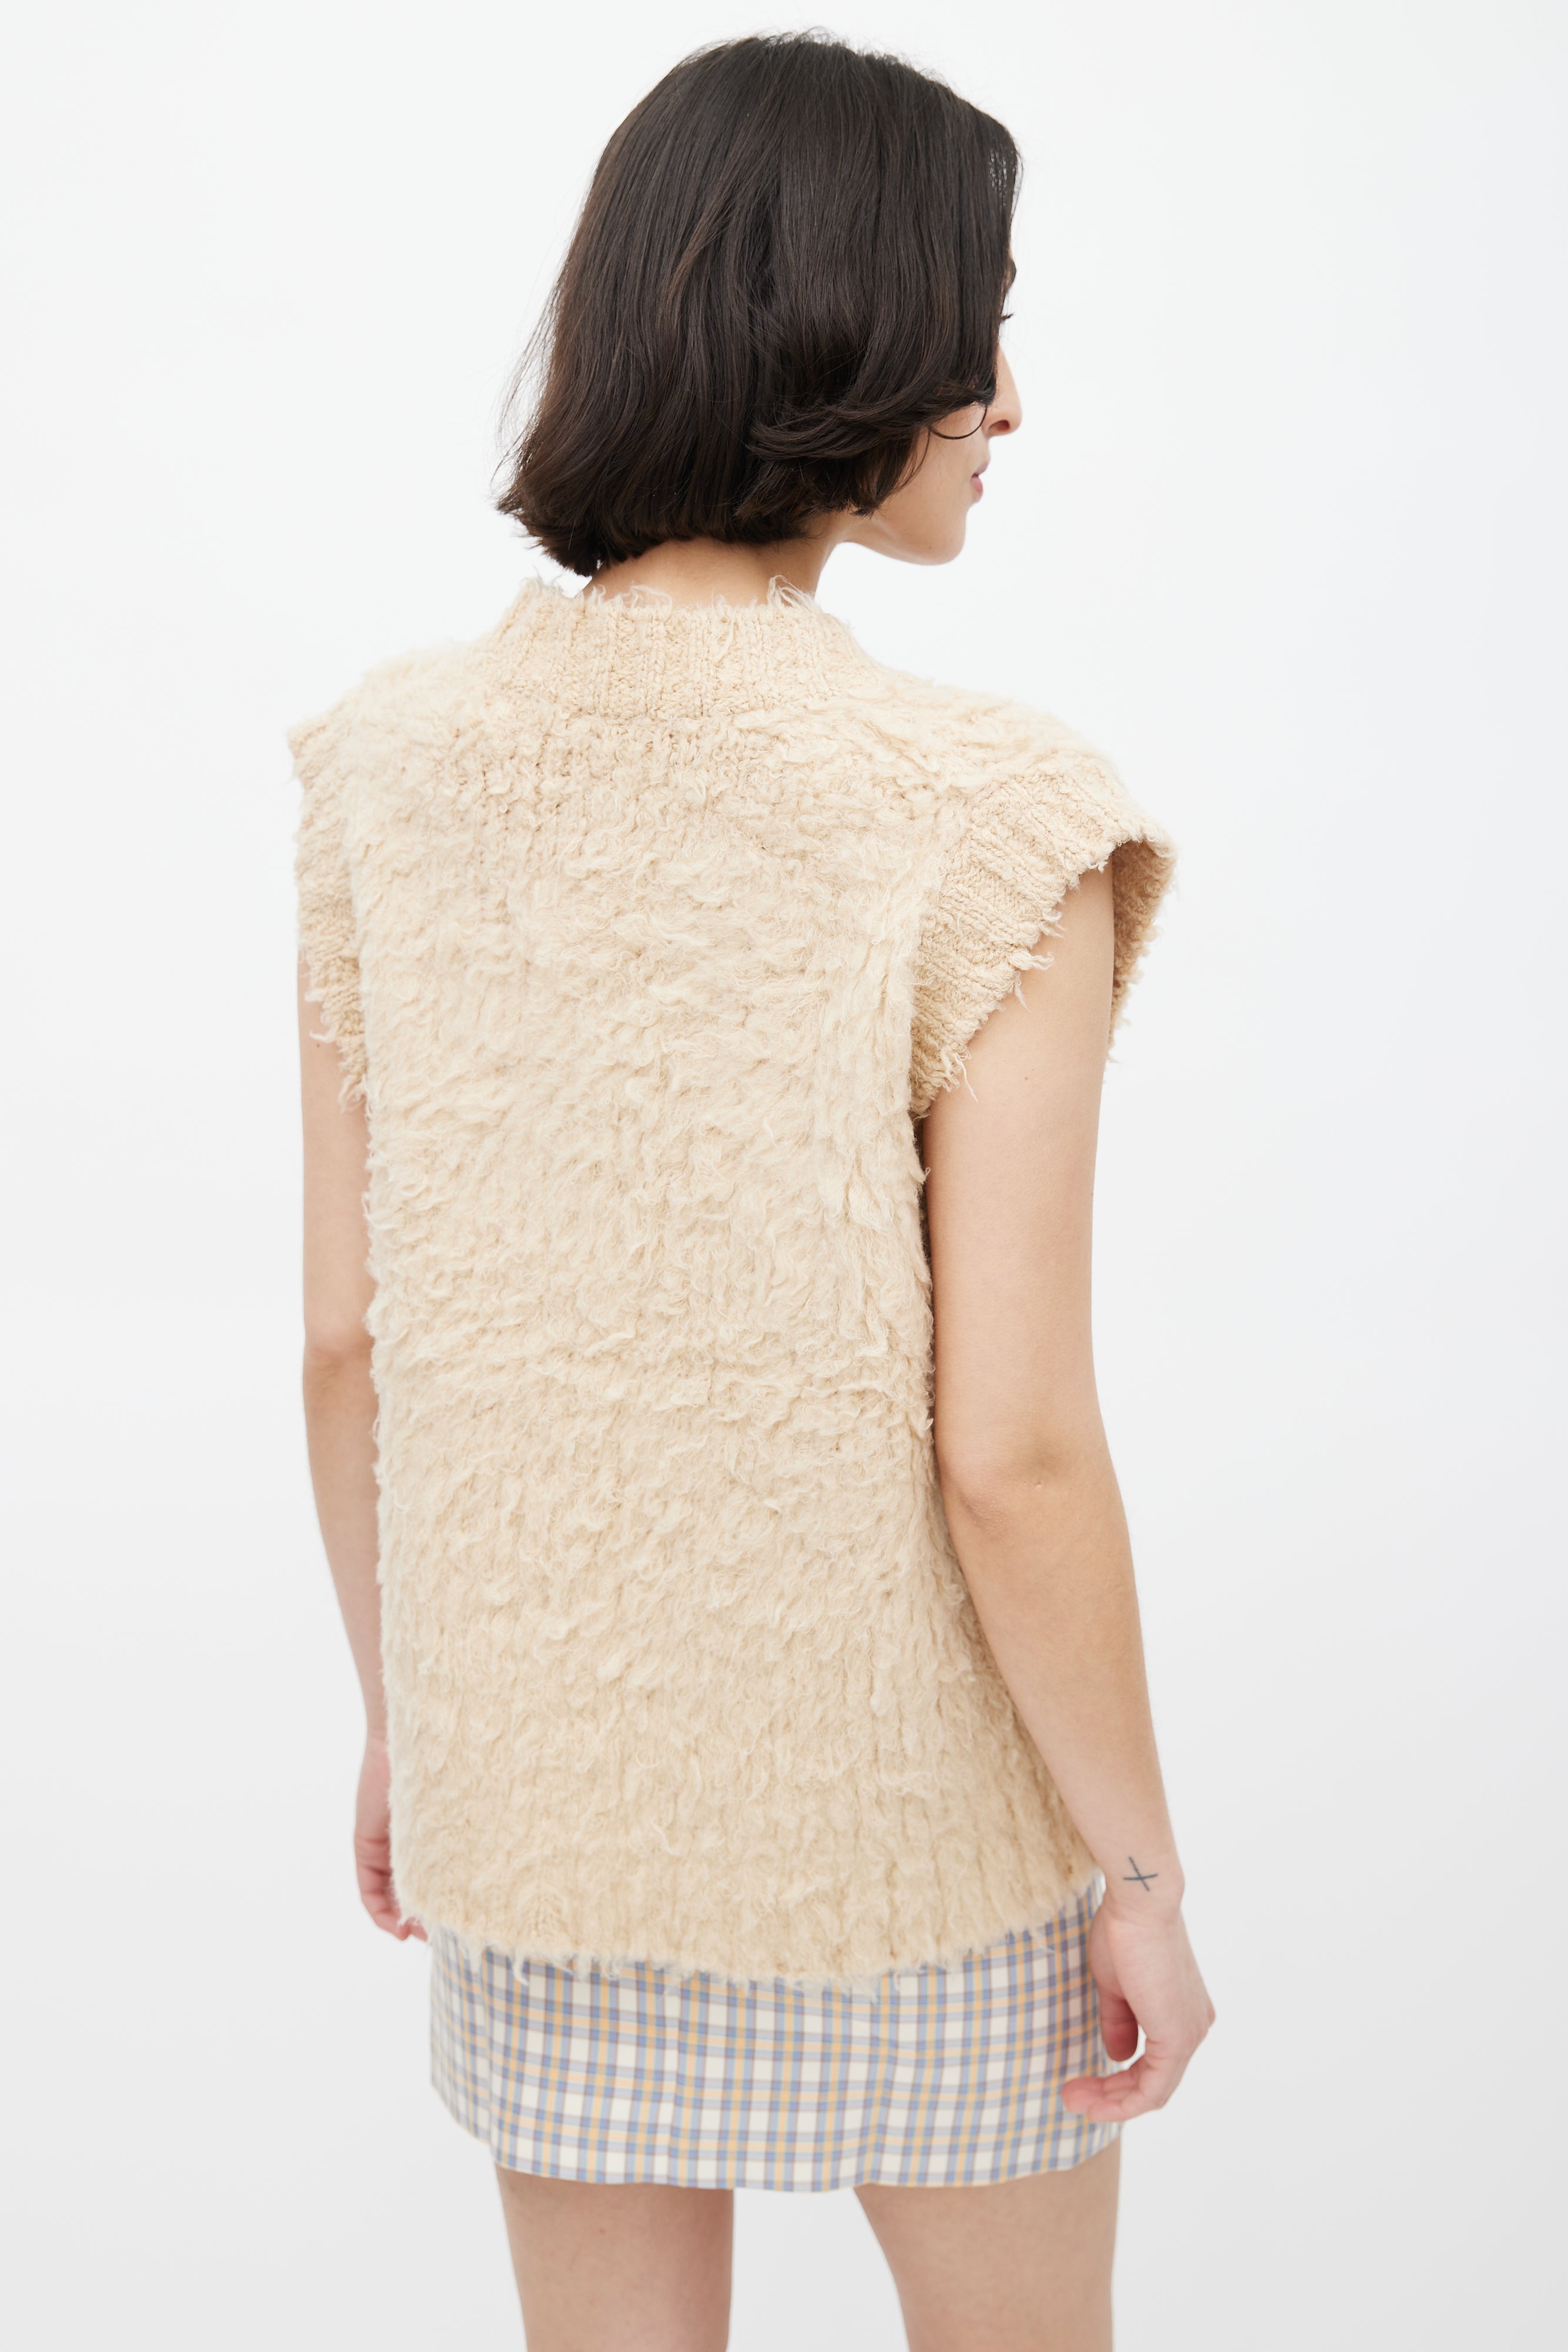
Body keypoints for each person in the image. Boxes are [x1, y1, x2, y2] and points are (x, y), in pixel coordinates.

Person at [295, 30, 1212, 2351]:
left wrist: (414, 1721)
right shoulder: (985, 809)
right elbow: (1010, 1448)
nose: (1006, 400)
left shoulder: (387, 770)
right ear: (846, 328)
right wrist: (1136, 1867)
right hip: (917, 1839)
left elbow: (348, 1341)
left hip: (547, 1804)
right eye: (977, 328)